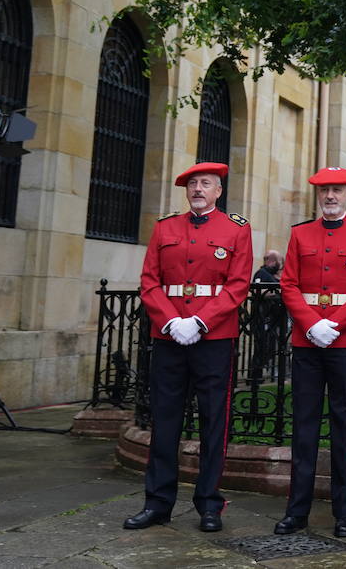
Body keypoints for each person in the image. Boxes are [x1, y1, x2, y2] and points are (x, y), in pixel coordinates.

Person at [124, 161, 252, 533]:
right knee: (165, 421)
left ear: (218, 191)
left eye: (206, 183)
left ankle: (209, 504)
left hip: (213, 336)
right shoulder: (165, 227)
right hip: (169, 335)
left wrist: (198, 322)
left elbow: (238, 284)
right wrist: (169, 321)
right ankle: (157, 503)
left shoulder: (236, 230)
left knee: (214, 422)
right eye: (193, 183)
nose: (198, 189)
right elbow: (149, 281)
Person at [273, 166, 346, 538]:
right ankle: (296, 510)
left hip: (344, 340)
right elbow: (288, 284)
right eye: (325, 192)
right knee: (303, 427)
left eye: (337, 191)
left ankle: (343, 511)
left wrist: (333, 324)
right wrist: (310, 324)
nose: (331, 197)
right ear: (318, 196)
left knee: (344, 426)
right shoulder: (300, 233)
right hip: (307, 340)